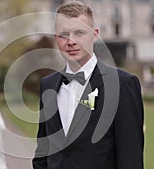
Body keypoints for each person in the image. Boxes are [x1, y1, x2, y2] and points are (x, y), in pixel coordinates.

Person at [32, 2, 144, 169]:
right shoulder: (48, 85)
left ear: (95, 34)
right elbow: (43, 151)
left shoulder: (123, 85)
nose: (71, 41)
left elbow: (131, 158)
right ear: (56, 39)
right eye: (64, 34)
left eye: (79, 33)